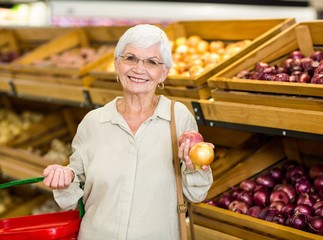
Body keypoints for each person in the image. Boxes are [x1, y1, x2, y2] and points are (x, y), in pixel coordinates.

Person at [42, 24, 213, 240]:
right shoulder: (94, 122)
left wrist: (195, 166)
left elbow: (196, 194)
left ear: (163, 73)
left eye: (151, 62)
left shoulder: (178, 117)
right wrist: (64, 178)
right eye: (130, 58)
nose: (139, 68)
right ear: (117, 64)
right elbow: (73, 195)